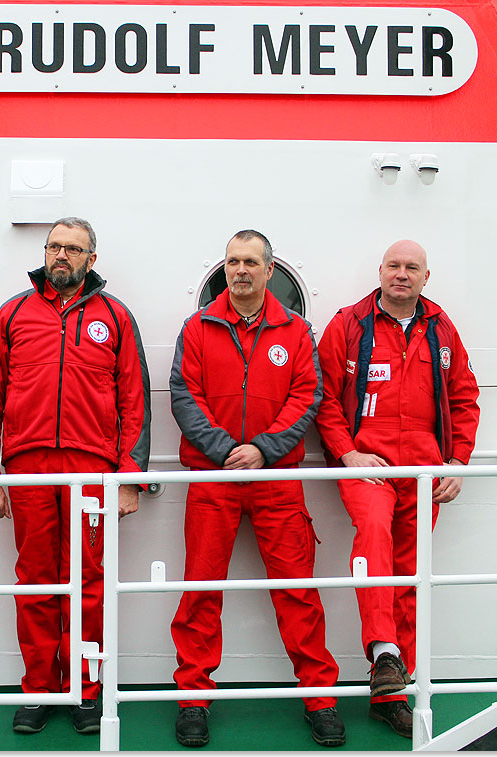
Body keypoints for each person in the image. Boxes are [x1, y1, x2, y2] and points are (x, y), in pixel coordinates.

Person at [0, 217, 150, 735]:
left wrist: (130, 478)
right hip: (27, 465)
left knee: (89, 581)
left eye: (73, 248)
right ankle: (39, 689)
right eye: (54, 246)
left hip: (92, 468)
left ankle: (87, 691)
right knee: (36, 581)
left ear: (92, 259)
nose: (61, 255)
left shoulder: (115, 317)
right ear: (45, 253)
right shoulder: (13, 314)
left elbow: (133, 399)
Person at [168, 230, 345, 748]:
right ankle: (193, 699)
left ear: (270, 270)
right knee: (201, 590)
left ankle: (320, 698)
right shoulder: (197, 327)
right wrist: (224, 449)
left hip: (277, 482)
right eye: (232, 261)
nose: (240, 270)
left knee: (298, 592)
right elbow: (184, 393)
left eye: (250, 262)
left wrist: (264, 449)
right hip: (213, 479)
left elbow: (307, 395)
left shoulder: (294, 331)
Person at [315, 239, 480, 738]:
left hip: (425, 471)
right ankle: (384, 651)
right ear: (380, 271)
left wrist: (457, 460)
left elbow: (464, 396)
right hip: (369, 467)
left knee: (410, 574)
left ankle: (391, 693)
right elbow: (322, 396)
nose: (401, 274)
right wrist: (347, 453)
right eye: (394, 266)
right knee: (373, 538)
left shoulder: (441, 329)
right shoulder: (349, 325)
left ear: (426, 277)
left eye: (412, 268)